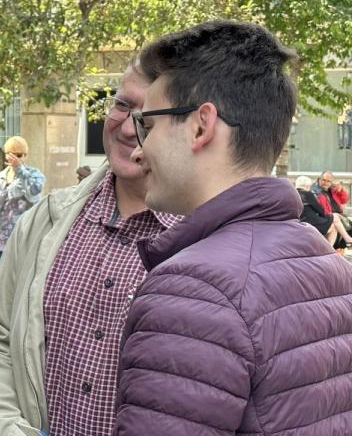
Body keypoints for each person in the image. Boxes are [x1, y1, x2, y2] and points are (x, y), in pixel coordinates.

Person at [114, 21, 352, 435]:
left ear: (201, 125)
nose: (138, 148)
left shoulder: (193, 290)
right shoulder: (324, 260)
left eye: (148, 125)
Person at [0, 60, 180, 436]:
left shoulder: (208, 243)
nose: (129, 127)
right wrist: (6, 428)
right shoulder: (46, 220)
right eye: (123, 105)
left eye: (149, 117)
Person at [0, 136, 45, 277]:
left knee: (19, 281)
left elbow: (35, 191)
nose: (16, 159)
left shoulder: (34, 175)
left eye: (19, 155)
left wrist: (20, 170)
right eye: (12, 155)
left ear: (25, 156)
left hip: (23, 239)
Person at [296, 175, 350, 252]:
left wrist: (340, 191)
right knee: (335, 219)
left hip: (301, 221)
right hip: (311, 222)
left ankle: (336, 246)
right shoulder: (309, 194)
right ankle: (331, 249)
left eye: (329, 181)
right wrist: (328, 215)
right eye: (324, 180)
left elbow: (343, 200)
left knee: (335, 222)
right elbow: (320, 210)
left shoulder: (293, 194)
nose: (326, 183)